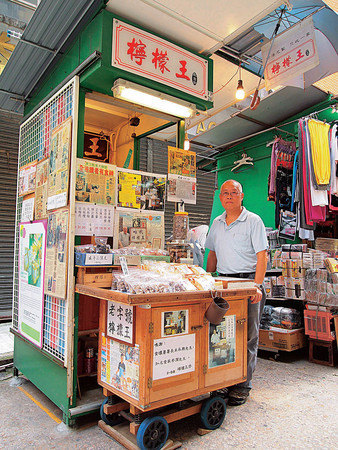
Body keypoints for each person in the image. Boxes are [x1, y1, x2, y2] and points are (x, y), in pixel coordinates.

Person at [205, 179, 268, 406]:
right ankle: (222, 382)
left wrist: (257, 286)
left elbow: (262, 255)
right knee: (222, 335)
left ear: (242, 196)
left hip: (248, 283)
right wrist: (206, 278)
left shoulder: (253, 221)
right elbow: (212, 253)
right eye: (225, 193)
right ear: (220, 198)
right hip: (223, 283)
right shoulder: (216, 222)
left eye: (234, 192)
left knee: (248, 335)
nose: (229, 196)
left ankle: (243, 384)